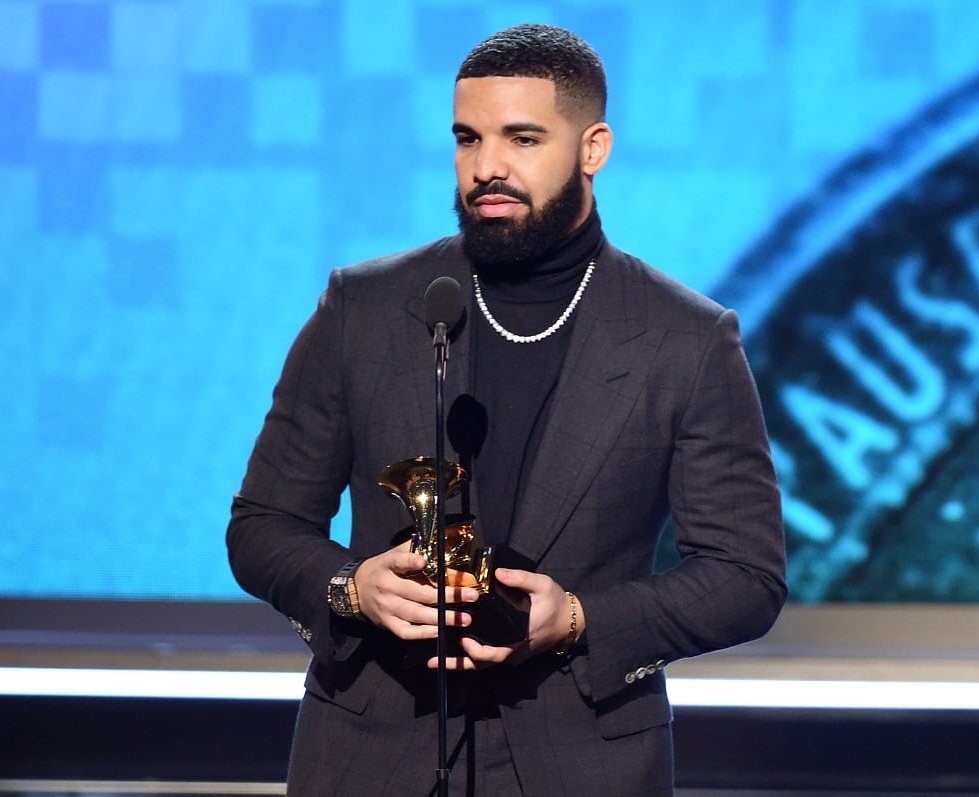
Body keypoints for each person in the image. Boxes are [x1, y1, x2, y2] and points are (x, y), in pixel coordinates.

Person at [228, 23, 787, 797]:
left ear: (593, 148)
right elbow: (261, 525)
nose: (486, 167)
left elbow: (745, 576)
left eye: (522, 139)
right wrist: (352, 587)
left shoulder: (685, 341)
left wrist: (582, 619)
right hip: (367, 756)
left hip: (582, 762)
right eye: (467, 139)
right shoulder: (367, 307)